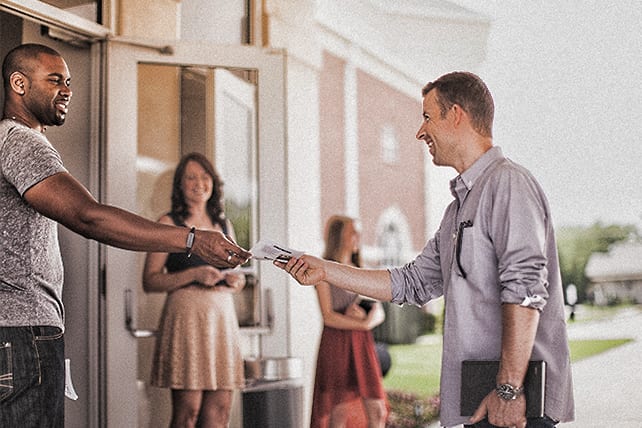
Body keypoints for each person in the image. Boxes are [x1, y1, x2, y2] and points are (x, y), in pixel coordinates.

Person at [277, 72, 574, 428]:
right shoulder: (458, 209)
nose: (421, 132)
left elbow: (525, 291)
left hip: (514, 404)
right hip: (483, 399)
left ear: (457, 115)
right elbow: (411, 282)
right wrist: (326, 270)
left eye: (428, 117)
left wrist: (509, 390)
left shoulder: (508, 185)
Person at [0, 43, 250, 427]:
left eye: (68, 81)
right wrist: (191, 239)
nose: (66, 89)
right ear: (18, 83)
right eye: (54, 80)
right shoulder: (21, 142)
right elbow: (89, 217)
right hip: (22, 330)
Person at [142, 153, 246, 428]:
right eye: (190, 177)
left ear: (213, 183)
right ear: (180, 185)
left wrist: (237, 281)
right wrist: (193, 274)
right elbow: (150, 281)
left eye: (204, 176)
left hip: (221, 322)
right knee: (188, 412)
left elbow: (236, 272)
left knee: (220, 412)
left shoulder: (224, 225)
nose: (198, 183)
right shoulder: (168, 222)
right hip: (187, 322)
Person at [310, 215, 387, 428]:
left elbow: (379, 310)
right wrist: (360, 323)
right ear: (339, 237)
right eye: (352, 232)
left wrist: (367, 320)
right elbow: (328, 316)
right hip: (337, 344)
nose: (357, 237)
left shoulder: (361, 268)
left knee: (377, 411)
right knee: (338, 414)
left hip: (362, 344)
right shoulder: (323, 270)